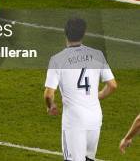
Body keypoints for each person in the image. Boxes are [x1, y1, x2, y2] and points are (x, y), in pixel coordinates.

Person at [44, 18, 118, 161]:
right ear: (84, 33)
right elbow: (112, 85)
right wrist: (97, 97)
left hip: (74, 121)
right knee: (89, 158)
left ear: (65, 33)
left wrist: (50, 106)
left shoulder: (57, 59)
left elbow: (48, 94)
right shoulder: (97, 55)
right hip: (95, 118)